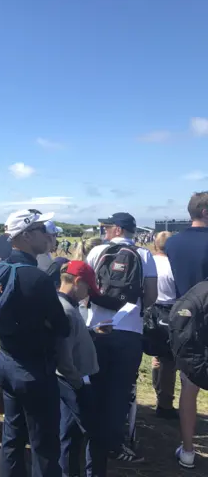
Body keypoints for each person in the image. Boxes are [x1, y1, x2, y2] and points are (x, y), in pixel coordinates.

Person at [0, 209, 70, 477]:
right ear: (26, 236)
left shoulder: (1, 267)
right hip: (35, 368)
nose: (47, 233)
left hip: (6, 359)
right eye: (41, 229)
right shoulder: (36, 277)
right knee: (44, 444)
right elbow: (63, 326)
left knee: (12, 438)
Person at [85, 213, 157, 463]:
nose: (103, 230)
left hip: (96, 328)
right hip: (129, 331)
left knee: (93, 384)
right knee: (119, 390)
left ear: (117, 229)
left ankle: (88, 439)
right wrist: (133, 309)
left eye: (105, 227)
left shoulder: (97, 252)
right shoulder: (145, 255)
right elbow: (151, 294)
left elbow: (87, 288)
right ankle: (113, 444)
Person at [165, 192, 208, 469]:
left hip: (188, 320)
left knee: (188, 388)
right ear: (205, 212)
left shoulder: (172, 243)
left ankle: (189, 451)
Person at [56, 261, 107, 477]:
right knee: (95, 433)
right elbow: (64, 357)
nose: (88, 294)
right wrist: (78, 383)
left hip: (70, 380)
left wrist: (91, 333)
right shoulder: (66, 311)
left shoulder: (64, 306)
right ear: (77, 282)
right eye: (87, 288)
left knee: (69, 434)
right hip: (74, 381)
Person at [149, 231, 179, 420]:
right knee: (169, 360)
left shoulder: (149, 261)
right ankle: (165, 403)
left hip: (151, 310)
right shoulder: (173, 265)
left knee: (157, 356)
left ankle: (159, 393)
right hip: (169, 310)